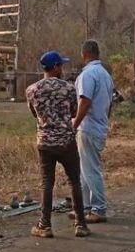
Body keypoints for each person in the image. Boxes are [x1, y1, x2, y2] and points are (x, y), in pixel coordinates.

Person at [25, 51, 89, 238]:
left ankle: (45, 225)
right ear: (55, 67)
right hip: (67, 141)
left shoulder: (32, 90)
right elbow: (73, 112)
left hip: (45, 142)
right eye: (61, 65)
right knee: (74, 181)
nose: (63, 68)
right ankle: (81, 224)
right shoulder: (69, 89)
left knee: (47, 183)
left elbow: (34, 114)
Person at [72, 39, 114, 223]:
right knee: (84, 169)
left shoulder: (88, 74)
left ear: (84, 55)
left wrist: (74, 124)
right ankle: (84, 207)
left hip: (88, 127)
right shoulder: (105, 74)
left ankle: (98, 208)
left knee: (91, 170)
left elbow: (85, 101)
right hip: (99, 125)